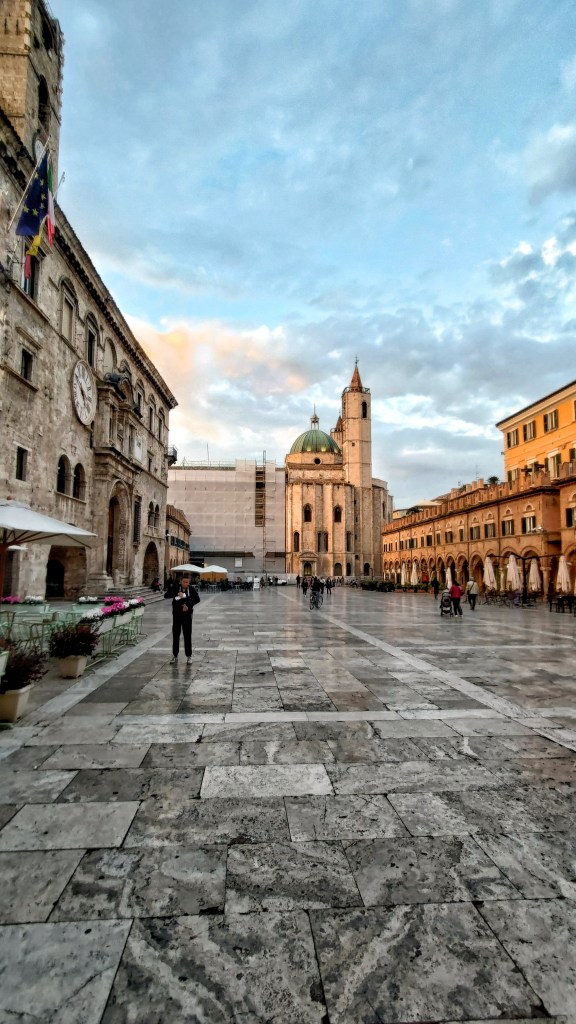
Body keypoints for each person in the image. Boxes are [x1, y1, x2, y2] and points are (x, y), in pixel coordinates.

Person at [165, 573, 199, 664]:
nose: (185, 584)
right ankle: (174, 655)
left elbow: (197, 599)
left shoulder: (191, 589)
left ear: (189, 582)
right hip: (176, 615)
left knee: (187, 635)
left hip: (187, 615)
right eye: (184, 582)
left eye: (187, 582)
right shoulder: (176, 587)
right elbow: (166, 595)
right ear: (181, 581)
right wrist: (177, 593)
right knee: (176, 634)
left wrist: (188, 605)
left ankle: (189, 656)